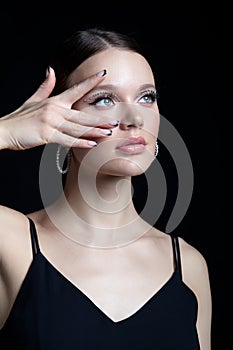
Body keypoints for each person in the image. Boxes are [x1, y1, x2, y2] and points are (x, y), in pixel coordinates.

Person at [0, 27, 212, 349]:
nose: (134, 119)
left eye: (146, 97)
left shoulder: (187, 264)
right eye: (104, 99)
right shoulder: (12, 243)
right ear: (56, 117)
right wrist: (5, 131)